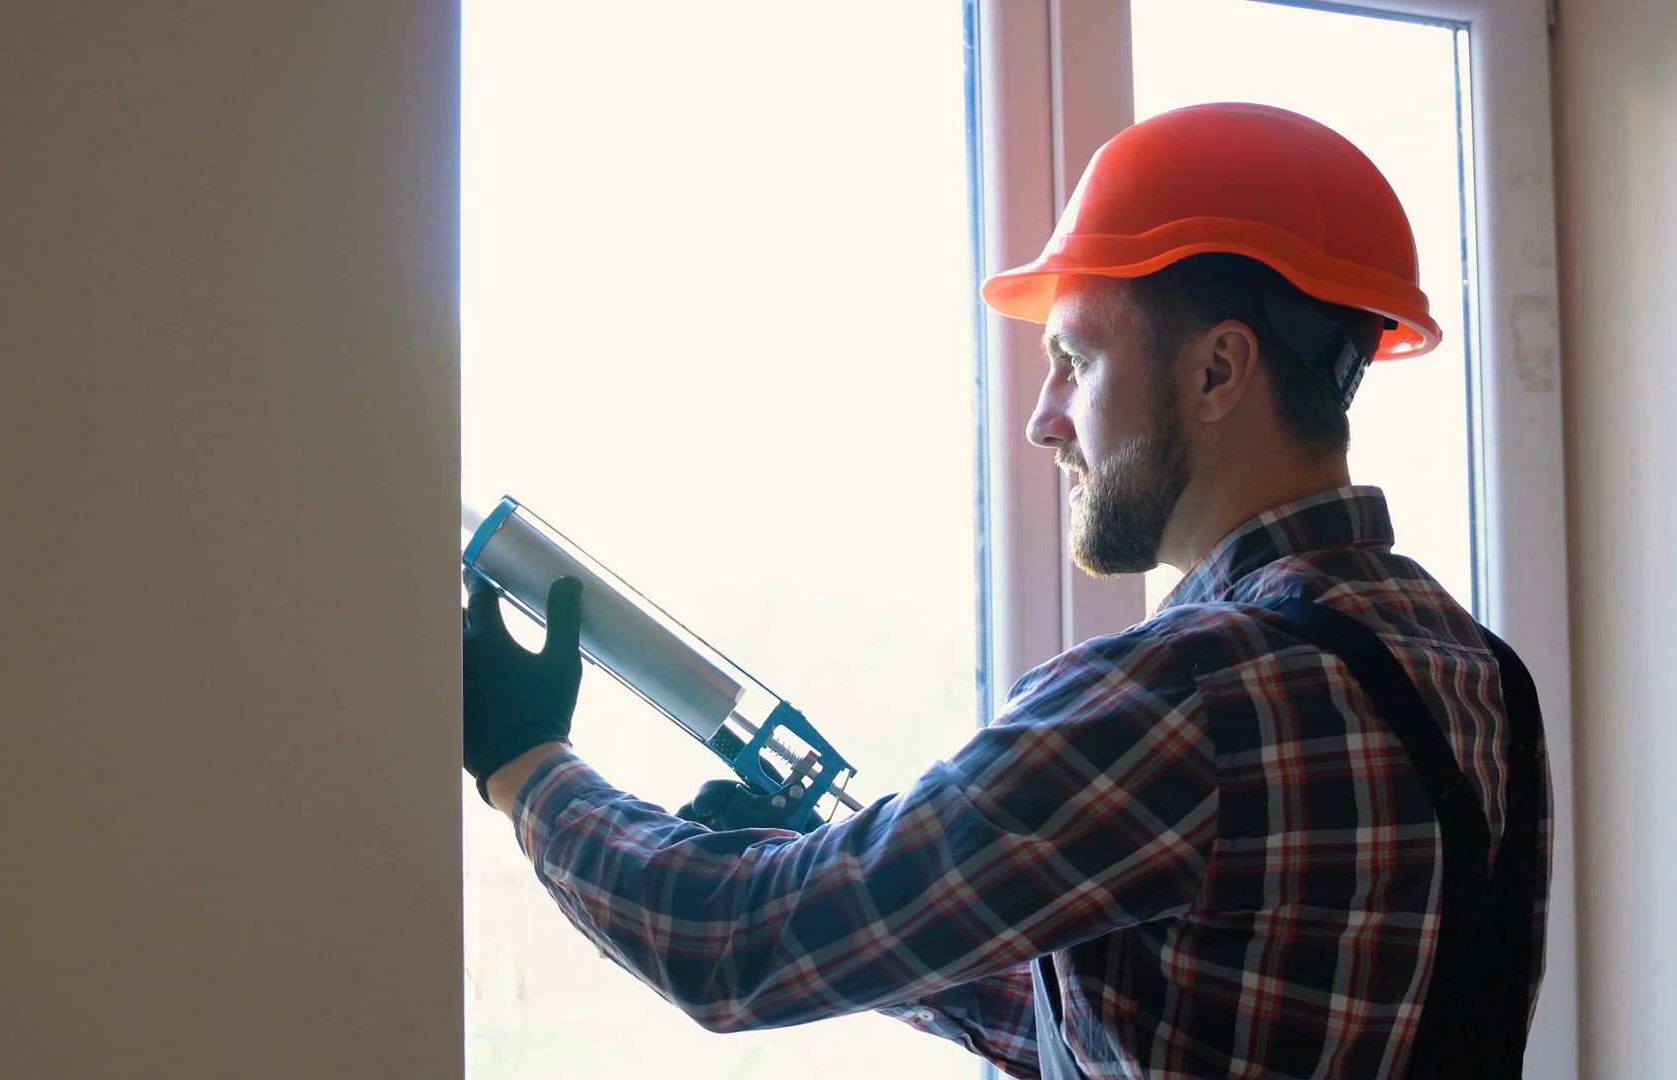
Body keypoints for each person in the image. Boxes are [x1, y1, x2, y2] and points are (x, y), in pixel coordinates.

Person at [460, 103, 1551, 1079]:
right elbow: (1151, 1031)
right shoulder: (1479, 677)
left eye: (1076, 360)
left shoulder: (1188, 692)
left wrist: (527, 765)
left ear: (1218, 371)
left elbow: (732, 946)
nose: (1044, 420)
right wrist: (882, 921)